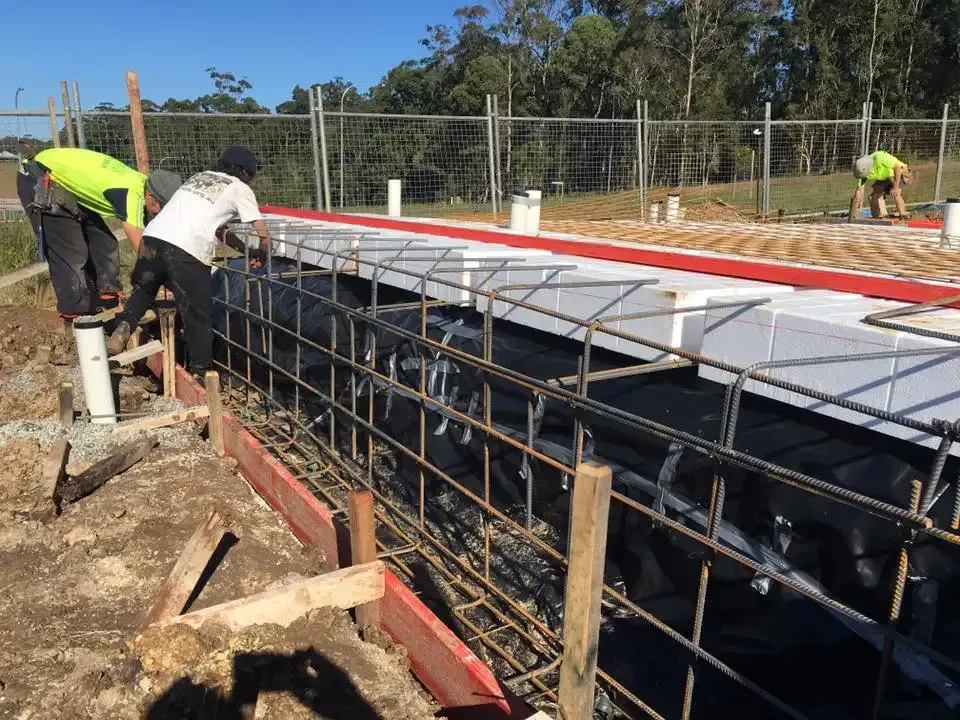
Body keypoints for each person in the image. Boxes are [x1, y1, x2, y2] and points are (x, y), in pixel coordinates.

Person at [106, 145, 272, 378]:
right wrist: (262, 252)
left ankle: (123, 328)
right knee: (198, 314)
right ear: (246, 173)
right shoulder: (239, 189)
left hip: (152, 237)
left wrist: (244, 250)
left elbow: (219, 230)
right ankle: (201, 374)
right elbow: (262, 232)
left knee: (144, 292)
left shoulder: (200, 177)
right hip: (186, 249)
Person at [21, 147, 181, 321]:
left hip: (70, 186)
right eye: (161, 209)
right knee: (72, 251)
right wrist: (175, 283)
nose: (161, 215)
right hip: (43, 178)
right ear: (150, 198)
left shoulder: (146, 185)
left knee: (105, 242)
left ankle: (109, 305)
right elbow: (144, 254)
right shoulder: (131, 195)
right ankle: (77, 319)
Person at [850, 150, 913, 220]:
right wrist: (853, 212)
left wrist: (895, 187)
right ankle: (876, 217)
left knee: (896, 194)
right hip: (884, 176)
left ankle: (903, 215)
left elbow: (897, 168)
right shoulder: (861, 171)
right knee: (874, 197)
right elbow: (859, 191)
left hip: (900, 172)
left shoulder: (880, 157)